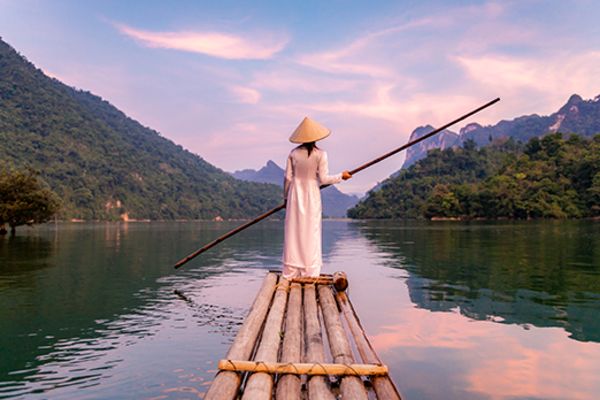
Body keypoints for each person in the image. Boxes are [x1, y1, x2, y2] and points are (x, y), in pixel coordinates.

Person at [282, 117, 351, 279]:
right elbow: (324, 179)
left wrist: (286, 198)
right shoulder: (321, 155)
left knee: (293, 231)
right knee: (311, 232)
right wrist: (342, 176)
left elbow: (287, 179)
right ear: (315, 137)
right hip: (312, 194)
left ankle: (291, 271)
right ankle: (310, 271)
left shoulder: (293, 154)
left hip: (295, 195)